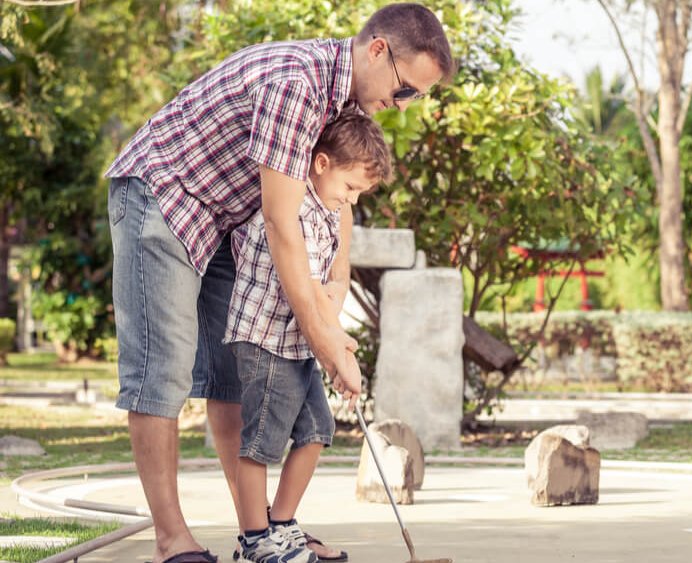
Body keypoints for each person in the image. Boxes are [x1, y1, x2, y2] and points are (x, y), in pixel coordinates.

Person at [104, 3, 453, 562]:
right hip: (163, 196)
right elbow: (281, 220)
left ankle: (260, 532)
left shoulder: (344, 100)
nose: (404, 104)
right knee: (161, 367)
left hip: (223, 219)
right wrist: (321, 338)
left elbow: (332, 208)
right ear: (379, 50)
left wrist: (331, 316)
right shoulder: (297, 83)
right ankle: (172, 542)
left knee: (229, 376)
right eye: (407, 89)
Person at [225, 114, 392, 563]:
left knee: (318, 429)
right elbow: (311, 290)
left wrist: (334, 343)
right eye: (350, 187)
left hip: (296, 342)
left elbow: (328, 289)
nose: (352, 200)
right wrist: (341, 350)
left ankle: (281, 526)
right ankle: (255, 541)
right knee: (260, 443)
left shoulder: (328, 211)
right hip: (265, 339)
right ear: (321, 163)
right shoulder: (296, 208)